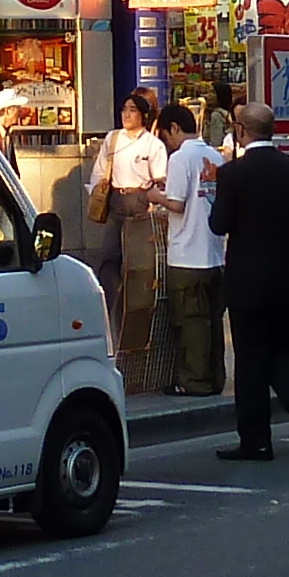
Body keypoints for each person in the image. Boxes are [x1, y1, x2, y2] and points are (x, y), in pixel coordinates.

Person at [208, 133, 289, 461]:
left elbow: (219, 224)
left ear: (242, 133)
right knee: (275, 350)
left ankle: (256, 440)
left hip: (248, 281)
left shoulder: (232, 173)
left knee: (250, 359)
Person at [93, 91, 170, 370]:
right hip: (116, 201)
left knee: (137, 266)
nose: (126, 115)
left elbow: (160, 181)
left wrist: (152, 207)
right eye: (124, 109)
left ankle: (136, 321)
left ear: (143, 115)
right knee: (108, 259)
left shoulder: (154, 145)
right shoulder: (112, 139)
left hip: (140, 202)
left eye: (132, 110)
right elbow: (100, 171)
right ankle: (114, 309)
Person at [159, 103, 226, 397]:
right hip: (214, 252)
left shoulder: (180, 158)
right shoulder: (214, 156)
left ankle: (194, 381)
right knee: (212, 320)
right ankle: (216, 376)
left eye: (166, 135)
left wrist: (153, 195)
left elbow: (177, 203)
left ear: (174, 128)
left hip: (186, 255)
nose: (167, 143)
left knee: (190, 321)